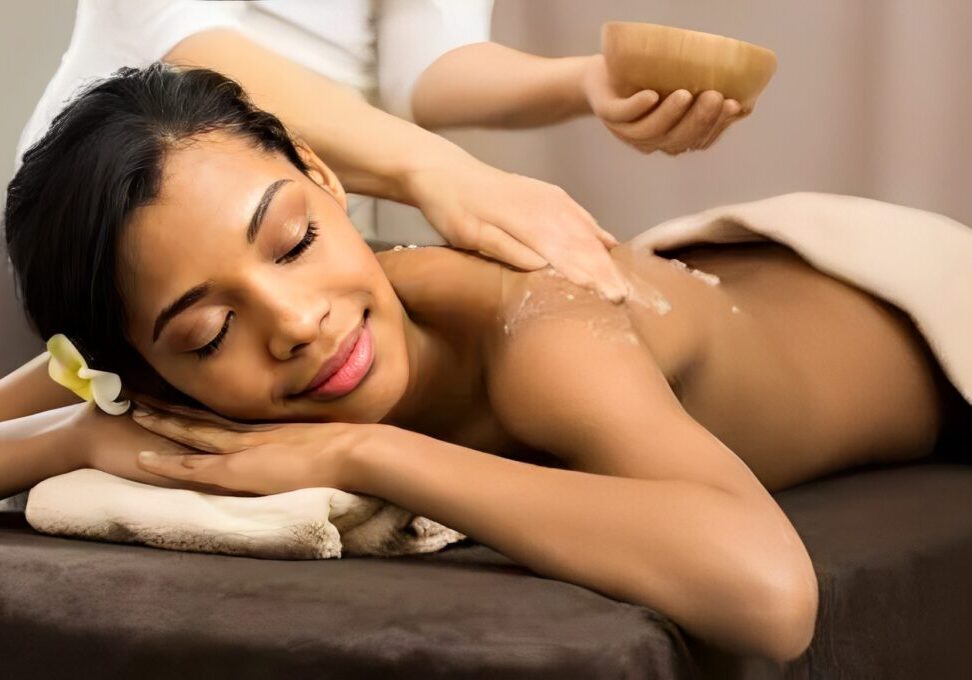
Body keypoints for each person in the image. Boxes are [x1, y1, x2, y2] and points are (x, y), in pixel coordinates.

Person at [5, 65, 967, 660]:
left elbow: (772, 597)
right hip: (715, 275)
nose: (298, 322)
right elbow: (57, 404)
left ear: (323, 177)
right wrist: (83, 435)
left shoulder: (536, 332)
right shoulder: (175, 344)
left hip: (916, 298)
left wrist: (369, 456)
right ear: (145, 365)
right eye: (209, 334)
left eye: (294, 240)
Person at [0, 0, 748, 426]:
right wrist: (438, 172)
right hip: (105, 228)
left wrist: (583, 82)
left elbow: (422, 65)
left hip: (287, 233)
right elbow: (185, 43)